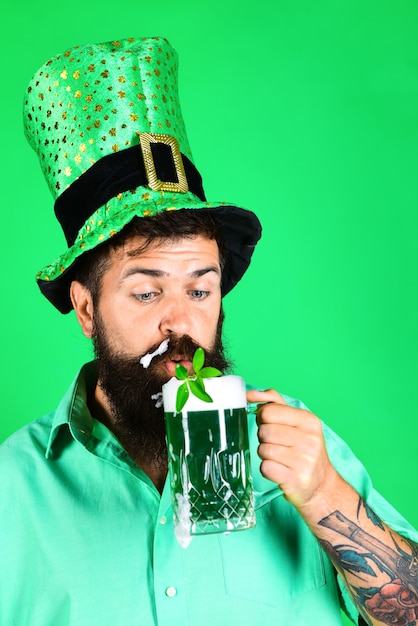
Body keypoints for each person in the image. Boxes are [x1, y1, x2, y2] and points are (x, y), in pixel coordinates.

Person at [1, 35, 417, 626]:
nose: (180, 321)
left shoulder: (302, 453)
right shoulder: (12, 491)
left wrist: (324, 493)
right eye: (146, 292)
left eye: (200, 289)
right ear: (87, 310)